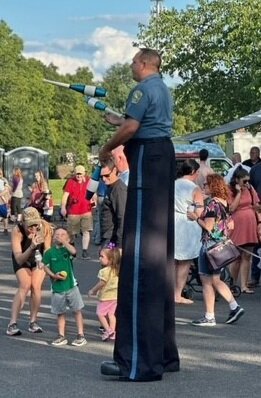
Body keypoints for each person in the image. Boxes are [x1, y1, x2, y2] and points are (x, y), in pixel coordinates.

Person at [99, 48, 180, 381]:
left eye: (133, 61)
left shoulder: (141, 89)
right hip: (162, 156)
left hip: (147, 158)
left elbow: (132, 128)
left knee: (139, 262)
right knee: (160, 257)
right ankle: (162, 354)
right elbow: (138, 123)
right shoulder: (162, 89)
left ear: (145, 64)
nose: (131, 65)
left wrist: (107, 146)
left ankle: (136, 363)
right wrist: (121, 121)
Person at [188, 174, 245, 326]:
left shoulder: (212, 203)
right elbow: (230, 225)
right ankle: (233, 306)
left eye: (206, 184)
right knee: (215, 279)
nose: (204, 186)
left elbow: (208, 226)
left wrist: (195, 217)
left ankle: (210, 316)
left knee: (206, 281)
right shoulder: (223, 202)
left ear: (213, 186)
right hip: (219, 245)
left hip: (209, 245)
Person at [6, 207, 52, 336]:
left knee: (36, 286)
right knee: (25, 285)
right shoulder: (17, 231)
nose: (33, 229)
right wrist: (32, 246)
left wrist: (48, 264)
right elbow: (19, 259)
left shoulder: (45, 227)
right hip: (22, 256)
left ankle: (33, 321)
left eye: (36, 225)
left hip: (39, 257)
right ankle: (12, 323)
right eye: (29, 226)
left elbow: (47, 249)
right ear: (23, 223)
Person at [42, 227, 87, 346]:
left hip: (71, 286)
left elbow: (73, 252)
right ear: (53, 237)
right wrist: (53, 275)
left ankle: (80, 334)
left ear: (67, 238)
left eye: (63, 234)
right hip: (57, 288)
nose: (59, 236)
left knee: (77, 310)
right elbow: (44, 265)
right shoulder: (49, 252)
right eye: (57, 234)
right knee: (60, 312)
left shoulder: (67, 250)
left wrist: (65, 242)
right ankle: (61, 335)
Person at [174, 159, 203, 304]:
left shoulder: (173, 184)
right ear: (193, 172)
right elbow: (199, 211)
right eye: (197, 172)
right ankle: (177, 293)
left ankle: (171, 290)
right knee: (184, 262)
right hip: (186, 224)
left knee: (172, 260)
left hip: (172, 221)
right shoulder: (195, 188)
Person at [228, 166, 261, 293]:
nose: (247, 183)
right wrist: (239, 192)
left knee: (247, 255)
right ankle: (232, 283)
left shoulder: (251, 188)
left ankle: (244, 285)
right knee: (236, 257)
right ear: (237, 180)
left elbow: (256, 205)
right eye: (244, 181)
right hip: (237, 225)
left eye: (248, 181)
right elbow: (231, 208)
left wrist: (258, 219)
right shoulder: (231, 190)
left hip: (250, 224)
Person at [88, 244, 121, 342]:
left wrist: (93, 290)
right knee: (111, 314)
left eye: (102, 256)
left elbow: (102, 283)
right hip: (115, 296)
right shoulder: (117, 270)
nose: (100, 258)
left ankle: (108, 330)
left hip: (105, 297)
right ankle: (113, 332)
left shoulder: (104, 271)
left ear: (110, 260)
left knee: (100, 313)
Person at [60, 165, 93, 259]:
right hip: (73, 211)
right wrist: (63, 207)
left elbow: (93, 194)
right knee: (71, 232)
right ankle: (72, 249)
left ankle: (85, 251)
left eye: (80, 174)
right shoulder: (71, 182)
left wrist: (93, 205)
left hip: (86, 210)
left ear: (84, 173)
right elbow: (65, 195)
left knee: (86, 231)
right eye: (77, 173)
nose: (78, 176)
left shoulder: (89, 181)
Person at [100, 158, 127, 248]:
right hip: (107, 236)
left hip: (112, 239)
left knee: (109, 261)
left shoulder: (118, 189)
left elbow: (122, 217)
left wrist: (119, 245)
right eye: (101, 176)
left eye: (107, 175)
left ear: (114, 170)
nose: (104, 179)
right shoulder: (110, 187)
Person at [0, 167, 10, 234]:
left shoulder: (4, 180)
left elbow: (6, 189)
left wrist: (0, 194)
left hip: (2, 201)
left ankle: (5, 229)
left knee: (4, 215)